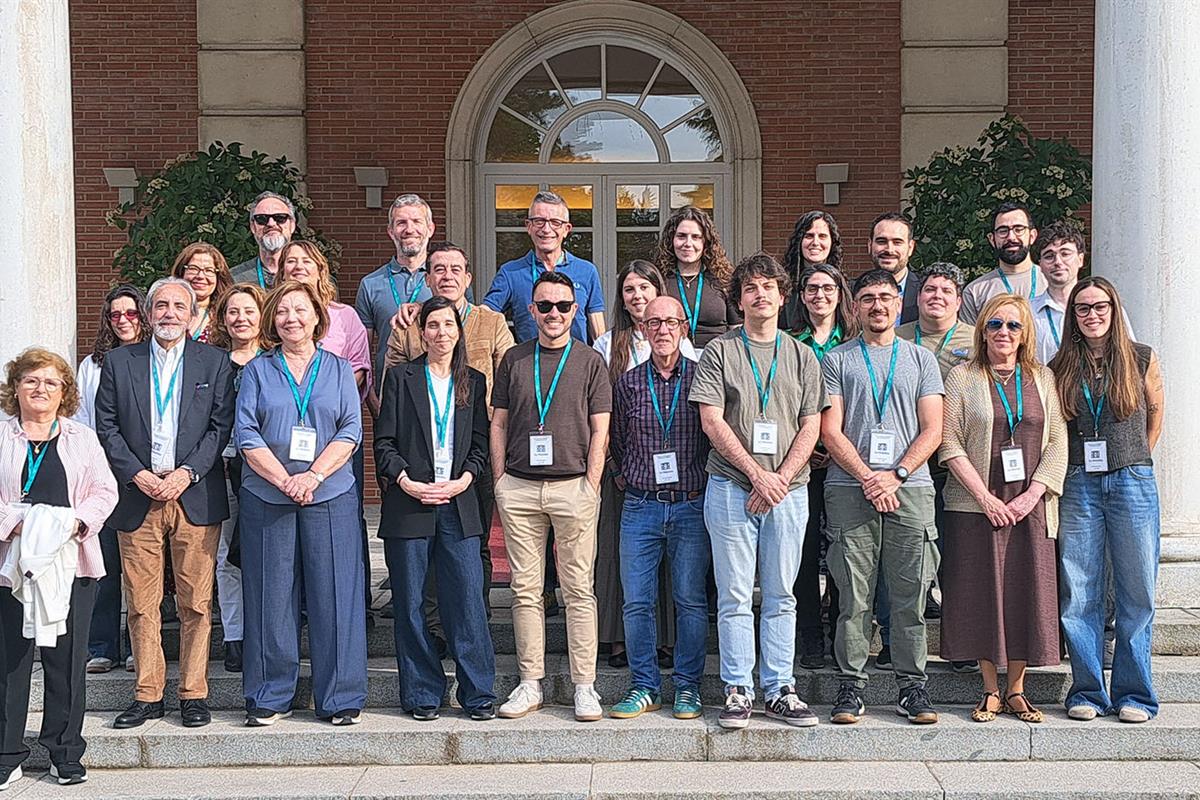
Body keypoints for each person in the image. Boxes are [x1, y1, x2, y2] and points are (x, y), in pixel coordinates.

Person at [691, 252, 826, 729]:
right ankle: (737, 688)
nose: (760, 294)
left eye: (769, 286)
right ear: (739, 300)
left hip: (790, 491)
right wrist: (756, 475)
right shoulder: (720, 352)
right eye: (751, 288)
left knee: (781, 594)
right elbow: (711, 421)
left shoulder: (803, 355)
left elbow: (812, 427)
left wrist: (779, 479)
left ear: (783, 296)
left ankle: (779, 687)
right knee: (732, 594)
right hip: (731, 487)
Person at [94, 277, 236, 730]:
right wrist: (137, 474)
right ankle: (147, 693)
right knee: (141, 603)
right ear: (149, 313)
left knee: (197, 603)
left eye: (179, 305)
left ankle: (193, 693)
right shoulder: (119, 362)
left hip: (192, 492)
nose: (170, 313)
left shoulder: (214, 363)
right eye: (161, 306)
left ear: (193, 314)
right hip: (138, 495)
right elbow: (107, 427)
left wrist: (185, 473)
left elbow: (220, 427)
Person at [235, 280, 366, 726]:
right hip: (267, 497)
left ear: (316, 317)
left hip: (329, 495)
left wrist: (312, 475)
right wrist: (285, 479)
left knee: (335, 595)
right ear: (273, 320)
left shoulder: (338, 368)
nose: (292, 318)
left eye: (300, 310)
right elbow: (247, 433)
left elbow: (351, 428)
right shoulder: (256, 370)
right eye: (283, 311)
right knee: (271, 597)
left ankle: (341, 696)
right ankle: (270, 695)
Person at [820, 268, 944, 726]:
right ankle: (851, 686)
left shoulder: (920, 360)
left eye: (886, 298)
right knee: (853, 594)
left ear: (898, 305)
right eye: (868, 297)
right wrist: (869, 477)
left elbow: (934, 427)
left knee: (911, 592)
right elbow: (830, 430)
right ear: (855, 306)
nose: (877, 305)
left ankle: (913, 686)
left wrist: (896, 473)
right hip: (849, 489)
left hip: (911, 489)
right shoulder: (837, 359)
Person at [939, 294, 1068, 723]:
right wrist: (984, 497)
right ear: (982, 330)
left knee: (1024, 591)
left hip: (1030, 505)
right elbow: (949, 442)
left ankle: (1017, 689)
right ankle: (989, 689)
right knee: (980, 592)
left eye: (1013, 326)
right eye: (995, 325)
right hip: (977, 505)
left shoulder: (1043, 378)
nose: (1004, 334)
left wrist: (1033, 495)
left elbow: (1057, 444)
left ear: (1025, 332)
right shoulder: (962, 377)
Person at [490, 271, 611, 723]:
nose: (554, 314)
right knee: (525, 591)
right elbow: (498, 422)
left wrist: (591, 482)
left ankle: (585, 685)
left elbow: (601, 428)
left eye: (562, 306)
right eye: (545, 306)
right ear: (531, 310)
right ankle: (530, 683)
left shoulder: (589, 361)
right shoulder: (514, 359)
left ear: (575, 310)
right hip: (519, 487)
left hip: (573, 487)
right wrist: (500, 478)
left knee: (579, 590)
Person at [0, 348, 118, 788]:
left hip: (71, 563)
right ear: (16, 387)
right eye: (31, 380)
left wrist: (74, 522)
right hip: (12, 565)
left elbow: (104, 491)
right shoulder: (2, 437)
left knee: (66, 660)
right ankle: (7, 753)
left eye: (51, 382)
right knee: (10, 660)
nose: (41, 389)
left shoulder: (81, 438)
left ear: (65, 391)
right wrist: (19, 524)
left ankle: (64, 751)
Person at [374, 296, 495, 721]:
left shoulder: (474, 381)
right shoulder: (401, 378)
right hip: (411, 503)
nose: (441, 332)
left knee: (466, 600)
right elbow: (384, 442)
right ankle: (423, 693)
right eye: (433, 325)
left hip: (458, 503)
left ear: (459, 331)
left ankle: (478, 692)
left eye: (449, 325)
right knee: (409, 603)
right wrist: (406, 480)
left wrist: (464, 480)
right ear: (421, 332)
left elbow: (480, 446)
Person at [1051, 277, 1164, 724]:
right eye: (1082, 308)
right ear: (1072, 317)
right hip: (1079, 481)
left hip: (1132, 479)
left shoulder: (1141, 358)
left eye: (1100, 307)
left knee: (1136, 589)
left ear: (1114, 311)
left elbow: (1155, 415)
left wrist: (1133, 458)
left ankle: (1136, 695)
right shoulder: (1060, 364)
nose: (1091, 314)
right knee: (1080, 590)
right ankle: (1087, 692)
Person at [384, 242, 515, 624]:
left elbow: (506, 378)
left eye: (456, 269)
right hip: (420, 451)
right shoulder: (408, 323)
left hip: (475, 447)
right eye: (439, 269)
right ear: (427, 278)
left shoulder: (490, 321)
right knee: (423, 548)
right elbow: (390, 382)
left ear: (468, 278)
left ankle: (477, 616)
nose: (447, 276)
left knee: (475, 540)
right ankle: (434, 622)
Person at [607, 295, 711, 721]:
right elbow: (614, 439)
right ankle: (644, 685)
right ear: (643, 330)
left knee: (690, 600)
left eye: (671, 322)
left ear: (684, 328)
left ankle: (687, 686)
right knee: (637, 602)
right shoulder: (628, 383)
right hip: (641, 507)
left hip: (690, 506)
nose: (663, 330)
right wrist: (625, 476)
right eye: (654, 323)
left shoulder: (704, 378)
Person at [591, 261, 694, 668]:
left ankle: (668, 643)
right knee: (622, 564)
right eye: (629, 289)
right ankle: (619, 641)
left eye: (644, 287)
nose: (637, 295)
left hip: (677, 480)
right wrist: (615, 468)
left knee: (677, 573)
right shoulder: (607, 344)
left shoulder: (683, 346)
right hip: (628, 474)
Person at [279, 239, 374, 616]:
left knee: (345, 519)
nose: (298, 266)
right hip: (283, 440)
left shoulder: (346, 317)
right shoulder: (277, 316)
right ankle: (299, 604)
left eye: (307, 260)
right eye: (290, 261)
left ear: (321, 269)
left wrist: (316, 393)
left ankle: (355, 603)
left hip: (336, 435)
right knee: (289, 519)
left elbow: (358, 370)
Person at [896, 262, 977, 665]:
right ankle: (896, 643)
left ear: (959, 301)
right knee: (913, 555)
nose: (937, 296)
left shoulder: (976, 339)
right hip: (908, 462)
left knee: (956, 554)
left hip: (959, 462)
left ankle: (961, 643)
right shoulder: (897, 336)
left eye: (946, 290)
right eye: (929, 289)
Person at [787, 263, 857, 670]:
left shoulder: (852, 342)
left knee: (845, 551)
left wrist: (837, 445)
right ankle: (811, 637)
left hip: (847, 462)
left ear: (839, 293)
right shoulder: (790, 342)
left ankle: (843, 639)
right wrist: (808, 445)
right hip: (803, 463)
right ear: (801, 296)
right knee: (805, 548)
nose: (819, 295)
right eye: (811, 288)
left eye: (827, 288)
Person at [76, 285, 146, 675]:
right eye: (115, 315)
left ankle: (140, 645)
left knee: (139, 568)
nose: (123, 320)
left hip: (142, 476)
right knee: (103, 566)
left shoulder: (155, 360)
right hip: (102, 478)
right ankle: (102, 645)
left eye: (131, 313)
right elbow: (84, 421)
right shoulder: (93, 365)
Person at [208, 282, 271, 673]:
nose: (241, 318)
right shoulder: (211, 364)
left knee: (266, 555)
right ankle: (235, 636)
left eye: (249, 311)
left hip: (265, 471)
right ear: (223, 318)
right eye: (233, 312)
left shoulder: (274, 361)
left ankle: (266, 633)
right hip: (221, 468)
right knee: (225, 557)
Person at [483, 190, 606, 344]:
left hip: (576, 365)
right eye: (539, 221)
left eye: (555, 222)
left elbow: (598, 333)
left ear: (566, 229)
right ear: (528, 226)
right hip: (528, 364)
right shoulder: (510, 273)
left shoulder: (587, 271)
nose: (546, 229)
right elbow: (484, 319)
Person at [355, 193, 436, 408]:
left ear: (430, 229)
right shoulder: (370, 284)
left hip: (438, 390)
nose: (409, 229)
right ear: (391, 232)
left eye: (417, 221)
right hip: (388, 392)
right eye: (401, 223)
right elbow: (363, 348)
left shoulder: (447, 282)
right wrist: (370, 391)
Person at [653, 206, 739, 349]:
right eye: (681, 236)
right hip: (671, 362)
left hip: (716, 361)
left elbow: (736, 330)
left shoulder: (723, 279)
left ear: (706, 242)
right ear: (671, 240)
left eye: (696, 237)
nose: (688, 243)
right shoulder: (658, 280)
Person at [960, 202, 1045, 324]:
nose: (1011, 237)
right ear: (992, 239)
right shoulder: (975, 292)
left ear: (1032, 236)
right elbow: (970, 341)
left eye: (1019, 229)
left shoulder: (1053, 283)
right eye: (1003, 230)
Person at [780, 210, 843, 330]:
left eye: (822, 236)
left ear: (832, 242)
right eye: (809, 236)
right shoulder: (782, 286)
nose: (815, 242)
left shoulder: (843, 286)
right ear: (799, 241)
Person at [230, 191, 297, 289]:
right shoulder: (235, 279)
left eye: (280, 218)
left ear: (292, 225)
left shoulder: (309, 275)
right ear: (253, 227)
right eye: (262, 219)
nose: (271, 223)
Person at [171, 242, 233, 343]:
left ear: (218, 276)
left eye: (209, 270)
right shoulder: (165, 312)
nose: (200, 276)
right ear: (181, 273)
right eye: (193, 269)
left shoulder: (225, 316)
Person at [868, 212, 920, 326]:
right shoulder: (852, 292)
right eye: (882, 241)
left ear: (910, 248)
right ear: (870, 245)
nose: (889, 250)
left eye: (897, 242)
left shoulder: (925, 292)